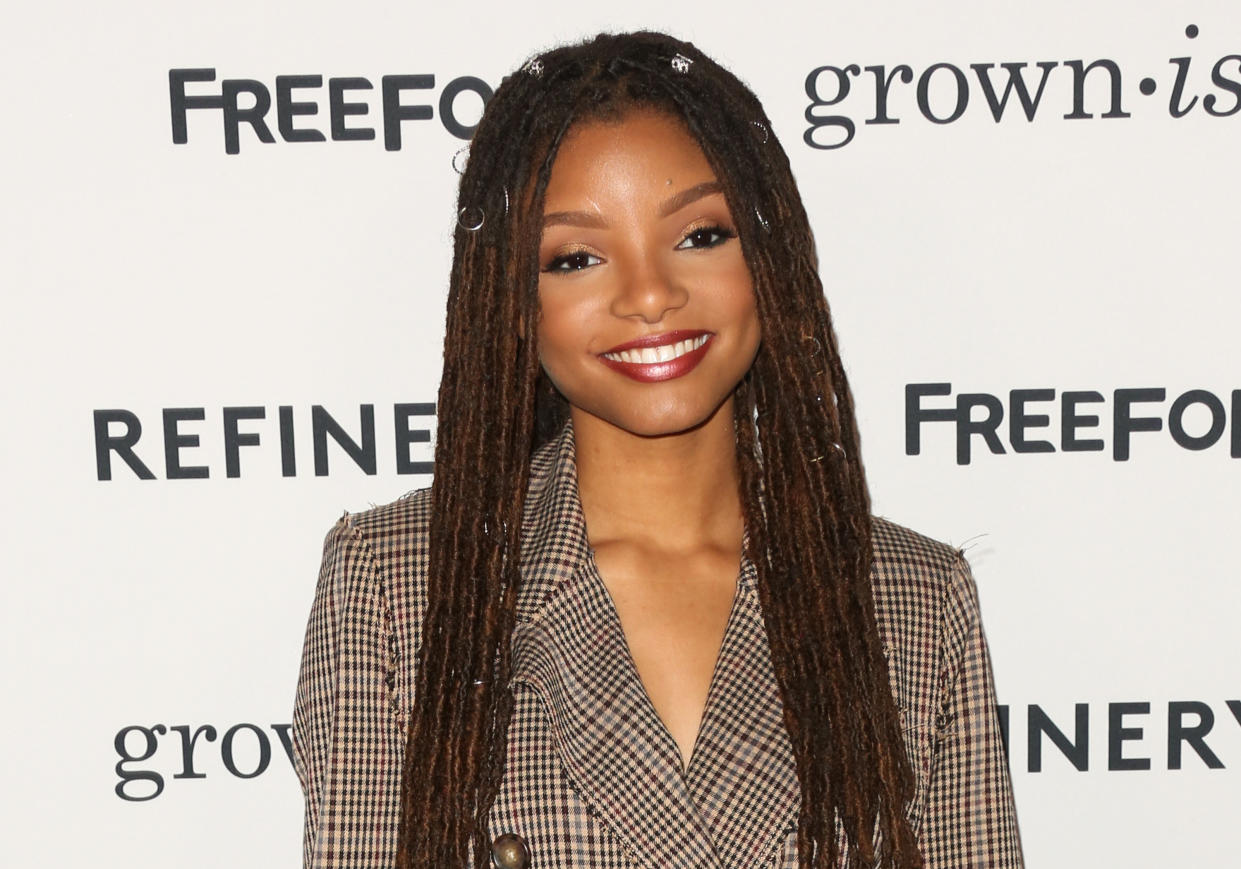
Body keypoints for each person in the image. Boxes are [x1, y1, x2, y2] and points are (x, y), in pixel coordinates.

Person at [292, 30, 1023, 869]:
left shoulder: (913, 597)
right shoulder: (398, 584)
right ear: (512, 300)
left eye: (699, 236)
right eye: (575, 257)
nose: (649, 294)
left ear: (769, 254)